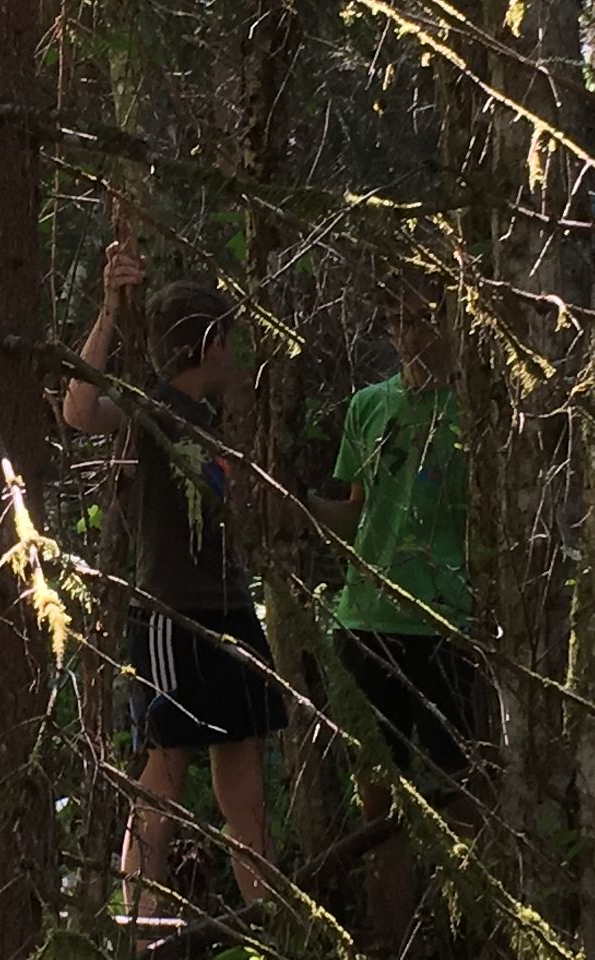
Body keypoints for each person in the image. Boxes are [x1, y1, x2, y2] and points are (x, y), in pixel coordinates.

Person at [63, 241, 288, 926]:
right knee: (162, 778)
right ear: (211, 345)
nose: (233, 355)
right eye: (228, 342)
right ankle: (139, 930)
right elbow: (78, 410)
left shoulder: (216, 426)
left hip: (231, 614)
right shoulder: (147, 411)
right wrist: (108, 310)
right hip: (169, 617)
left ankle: (268, 924)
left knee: (242, 785)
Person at [308, 280, 476, 953]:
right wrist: (299, 508)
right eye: (394, 321)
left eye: (419, 320)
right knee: (377, 795)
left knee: (460, 790)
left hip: (445, 621)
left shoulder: (473, 412)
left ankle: (467, 929)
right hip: (366, 618)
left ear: (449, 321)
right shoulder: (369, 406)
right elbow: (355, 512)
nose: (406, 336)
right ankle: (388, 937)